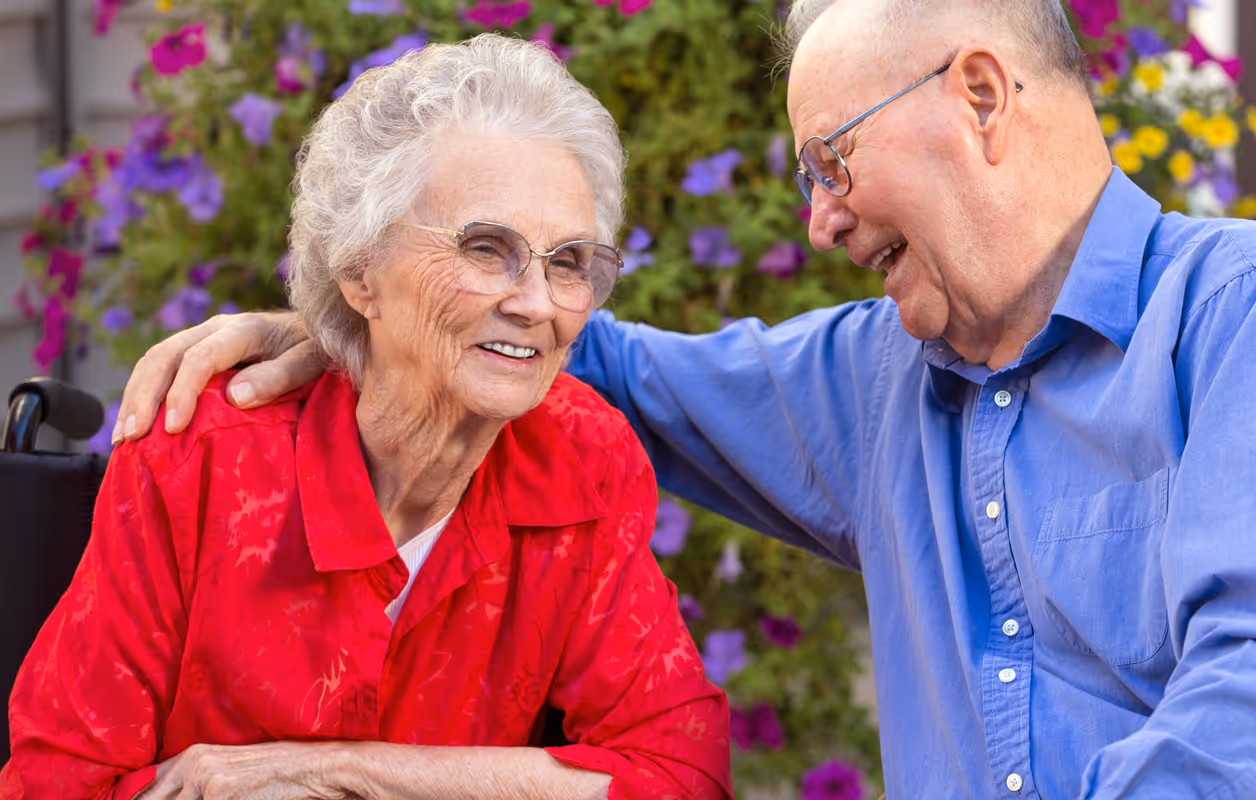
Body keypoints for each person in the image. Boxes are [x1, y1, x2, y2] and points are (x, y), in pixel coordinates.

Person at [112, 1, 1256, 797]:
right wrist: (361, 310)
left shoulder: (1248, 313)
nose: (819, 222)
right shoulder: (879, 378)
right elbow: (597, 361)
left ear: (983, 96)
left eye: (831, 162)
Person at [4, 35, 730, 800]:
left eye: (570, 262)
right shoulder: (202, 460)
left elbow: (679, 773)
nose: (537, 303)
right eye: (487, 248)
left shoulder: (580, 457)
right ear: (358, 273)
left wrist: (331, 772)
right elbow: (56, 782)